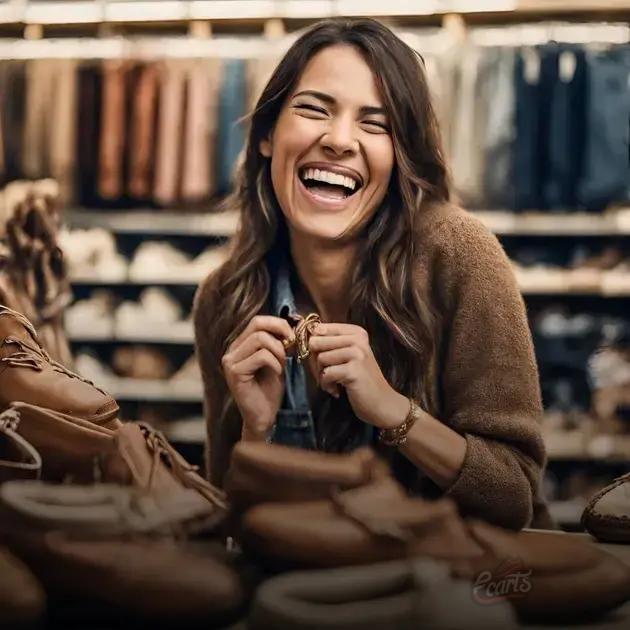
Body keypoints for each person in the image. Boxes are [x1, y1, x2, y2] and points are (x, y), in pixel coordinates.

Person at [194, 18, 551, 530]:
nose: (339, 140)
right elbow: (234, 521)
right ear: (268, 135)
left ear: (400, 156)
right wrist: (257, 431)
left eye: (375, 124)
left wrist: (393, 412)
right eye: (314, 109)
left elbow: (514, 494)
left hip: (458, 593)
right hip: (304, 595)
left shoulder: (461, 255)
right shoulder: (225, 297)